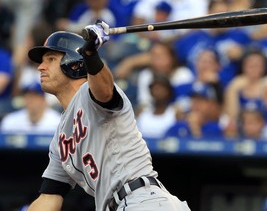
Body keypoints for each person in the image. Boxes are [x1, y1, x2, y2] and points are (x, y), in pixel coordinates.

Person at [26, 21, 191, 211]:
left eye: (51, 59)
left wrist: (90, 55)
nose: (40, 67)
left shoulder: (89, 92)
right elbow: (49, 198)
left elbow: (104, 92)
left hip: (142, 199)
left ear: (71, 63)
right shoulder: (60, 139)